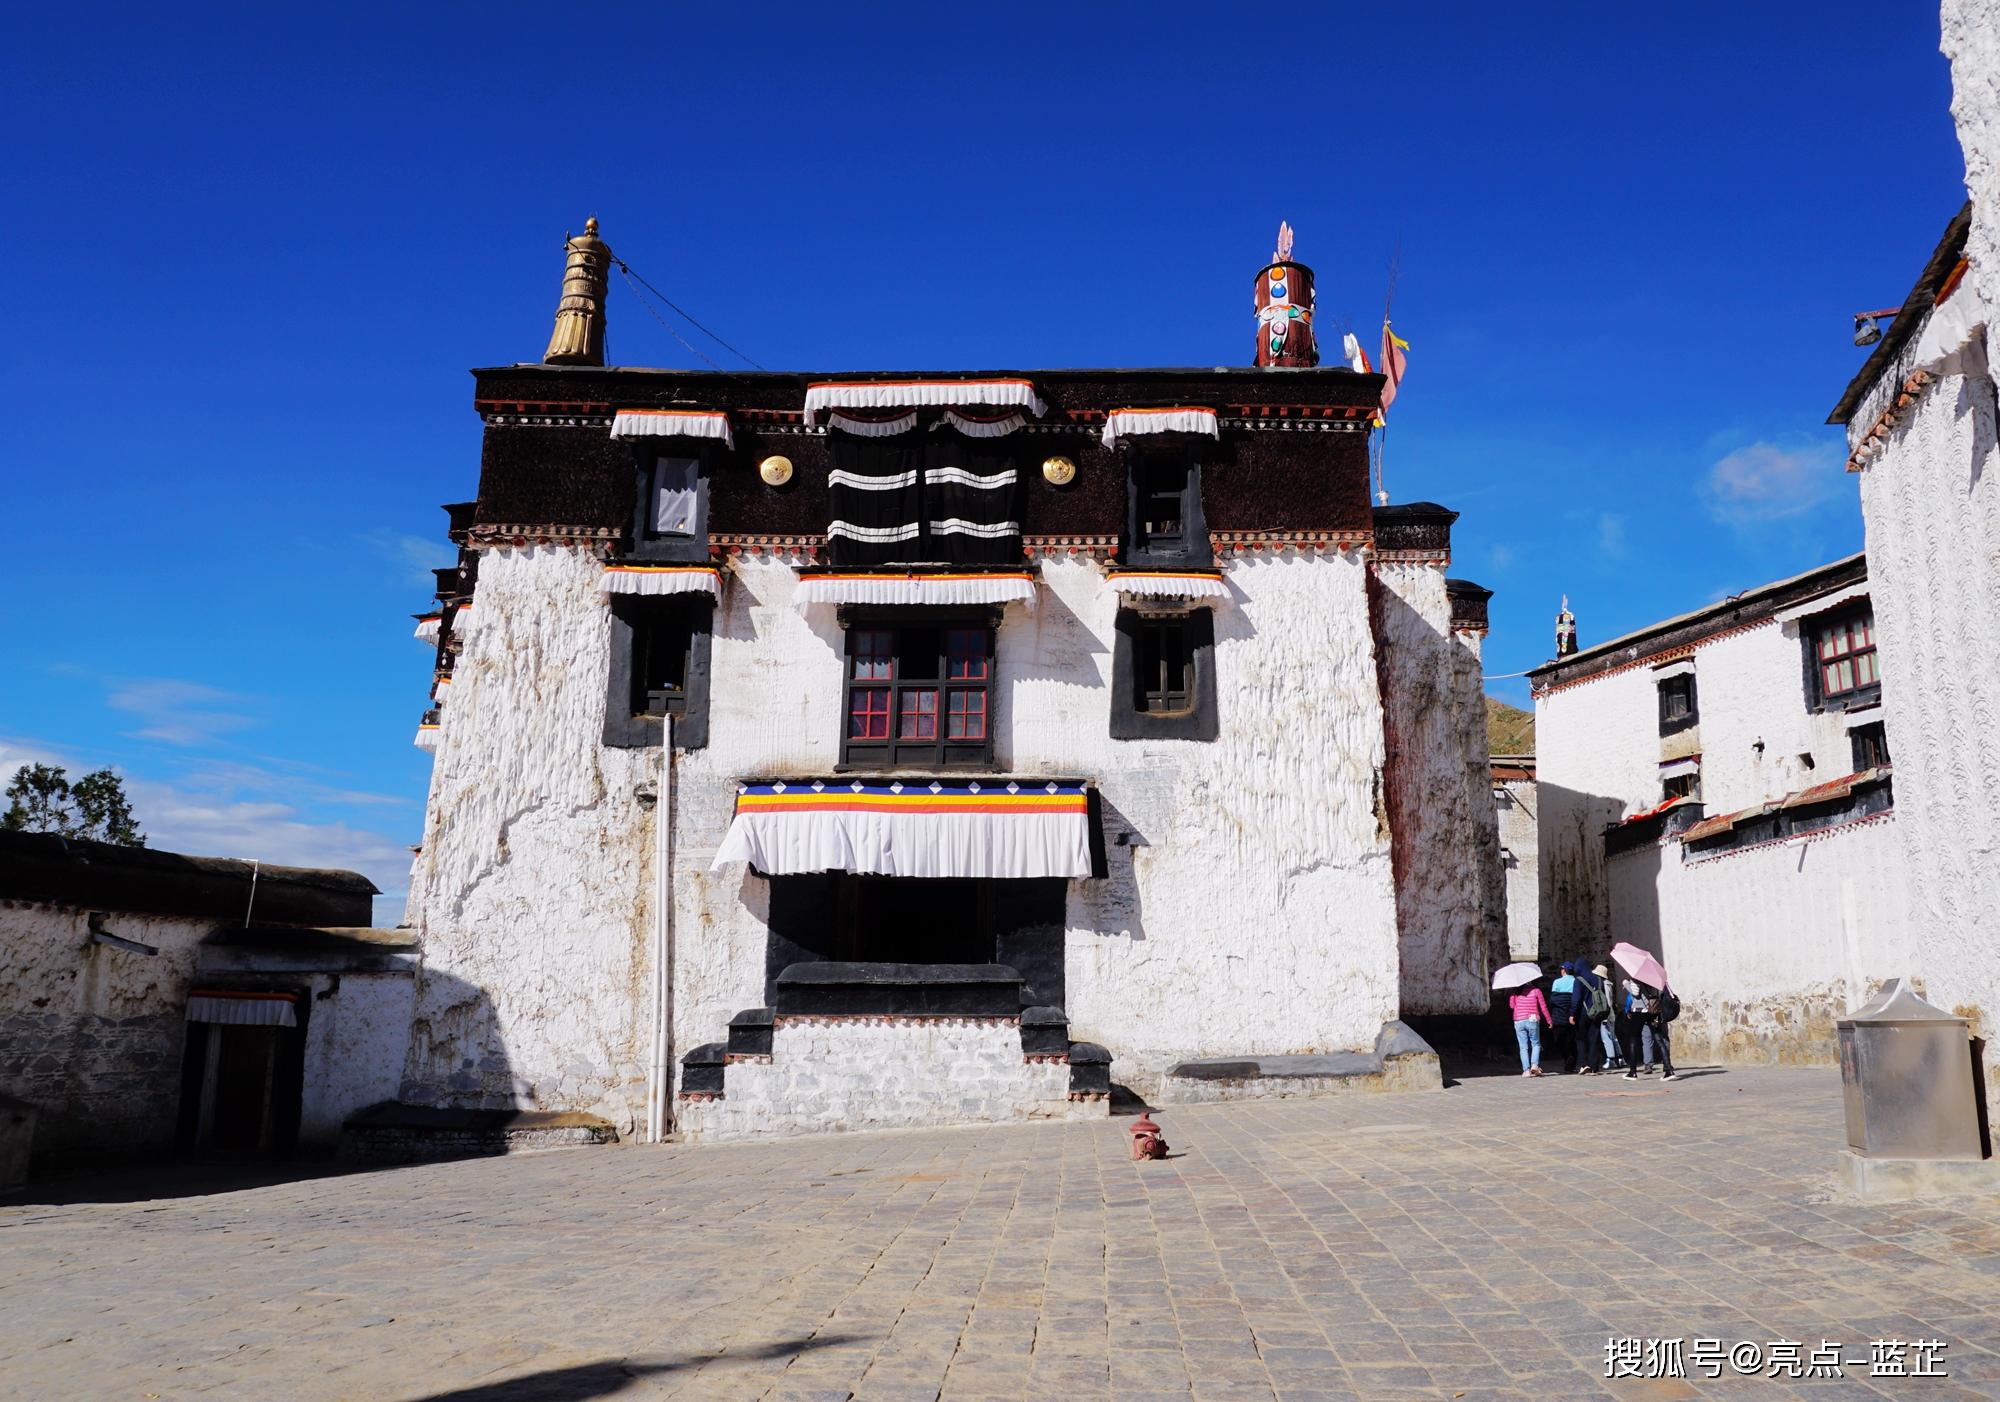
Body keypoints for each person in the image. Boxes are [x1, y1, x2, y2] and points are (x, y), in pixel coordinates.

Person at [1508, 979, 1553, 1077]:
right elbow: (1543, 1007)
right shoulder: (1536, 990)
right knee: (1536, 1043)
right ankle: (1534, 1064)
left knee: (1523, 1047)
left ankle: (1526, 1070)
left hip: (1519, 1020)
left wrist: (1513, 994)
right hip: (1532, 1019)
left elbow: (1511, 1006)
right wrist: (1549, 1020)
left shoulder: (1516, 991)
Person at [1571, 961, 1608, 1075]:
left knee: (1581, 1039)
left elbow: (1576, 999)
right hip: (1597, 1013)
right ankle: (1594, 1066)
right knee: (1594, 1039)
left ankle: (1583, 1064)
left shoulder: (1579, 980)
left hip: (1583, 1013)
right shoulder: (1598, 979)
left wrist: (1572, 1013)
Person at [1548, 963, 1579, 1074]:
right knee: (1572, 1040)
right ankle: (1571, 1062)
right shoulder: (1576, 981)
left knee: (1559, 1040)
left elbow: (1553, 1000)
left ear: (1564, 970)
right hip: (1573, 1014)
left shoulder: (1557, 982)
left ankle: (1568, 1059)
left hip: (1558, 1015)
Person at [1593, 963, 1622, 1069]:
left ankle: (1611, 1059)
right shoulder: (1609, 984)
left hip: (1606, 1014)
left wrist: (1605, 1014)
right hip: (1611, 1014)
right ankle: (1620, 1058)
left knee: (1607, 1038)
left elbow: (1608, 1002)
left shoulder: (1604, 985)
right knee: (1614, 1037)